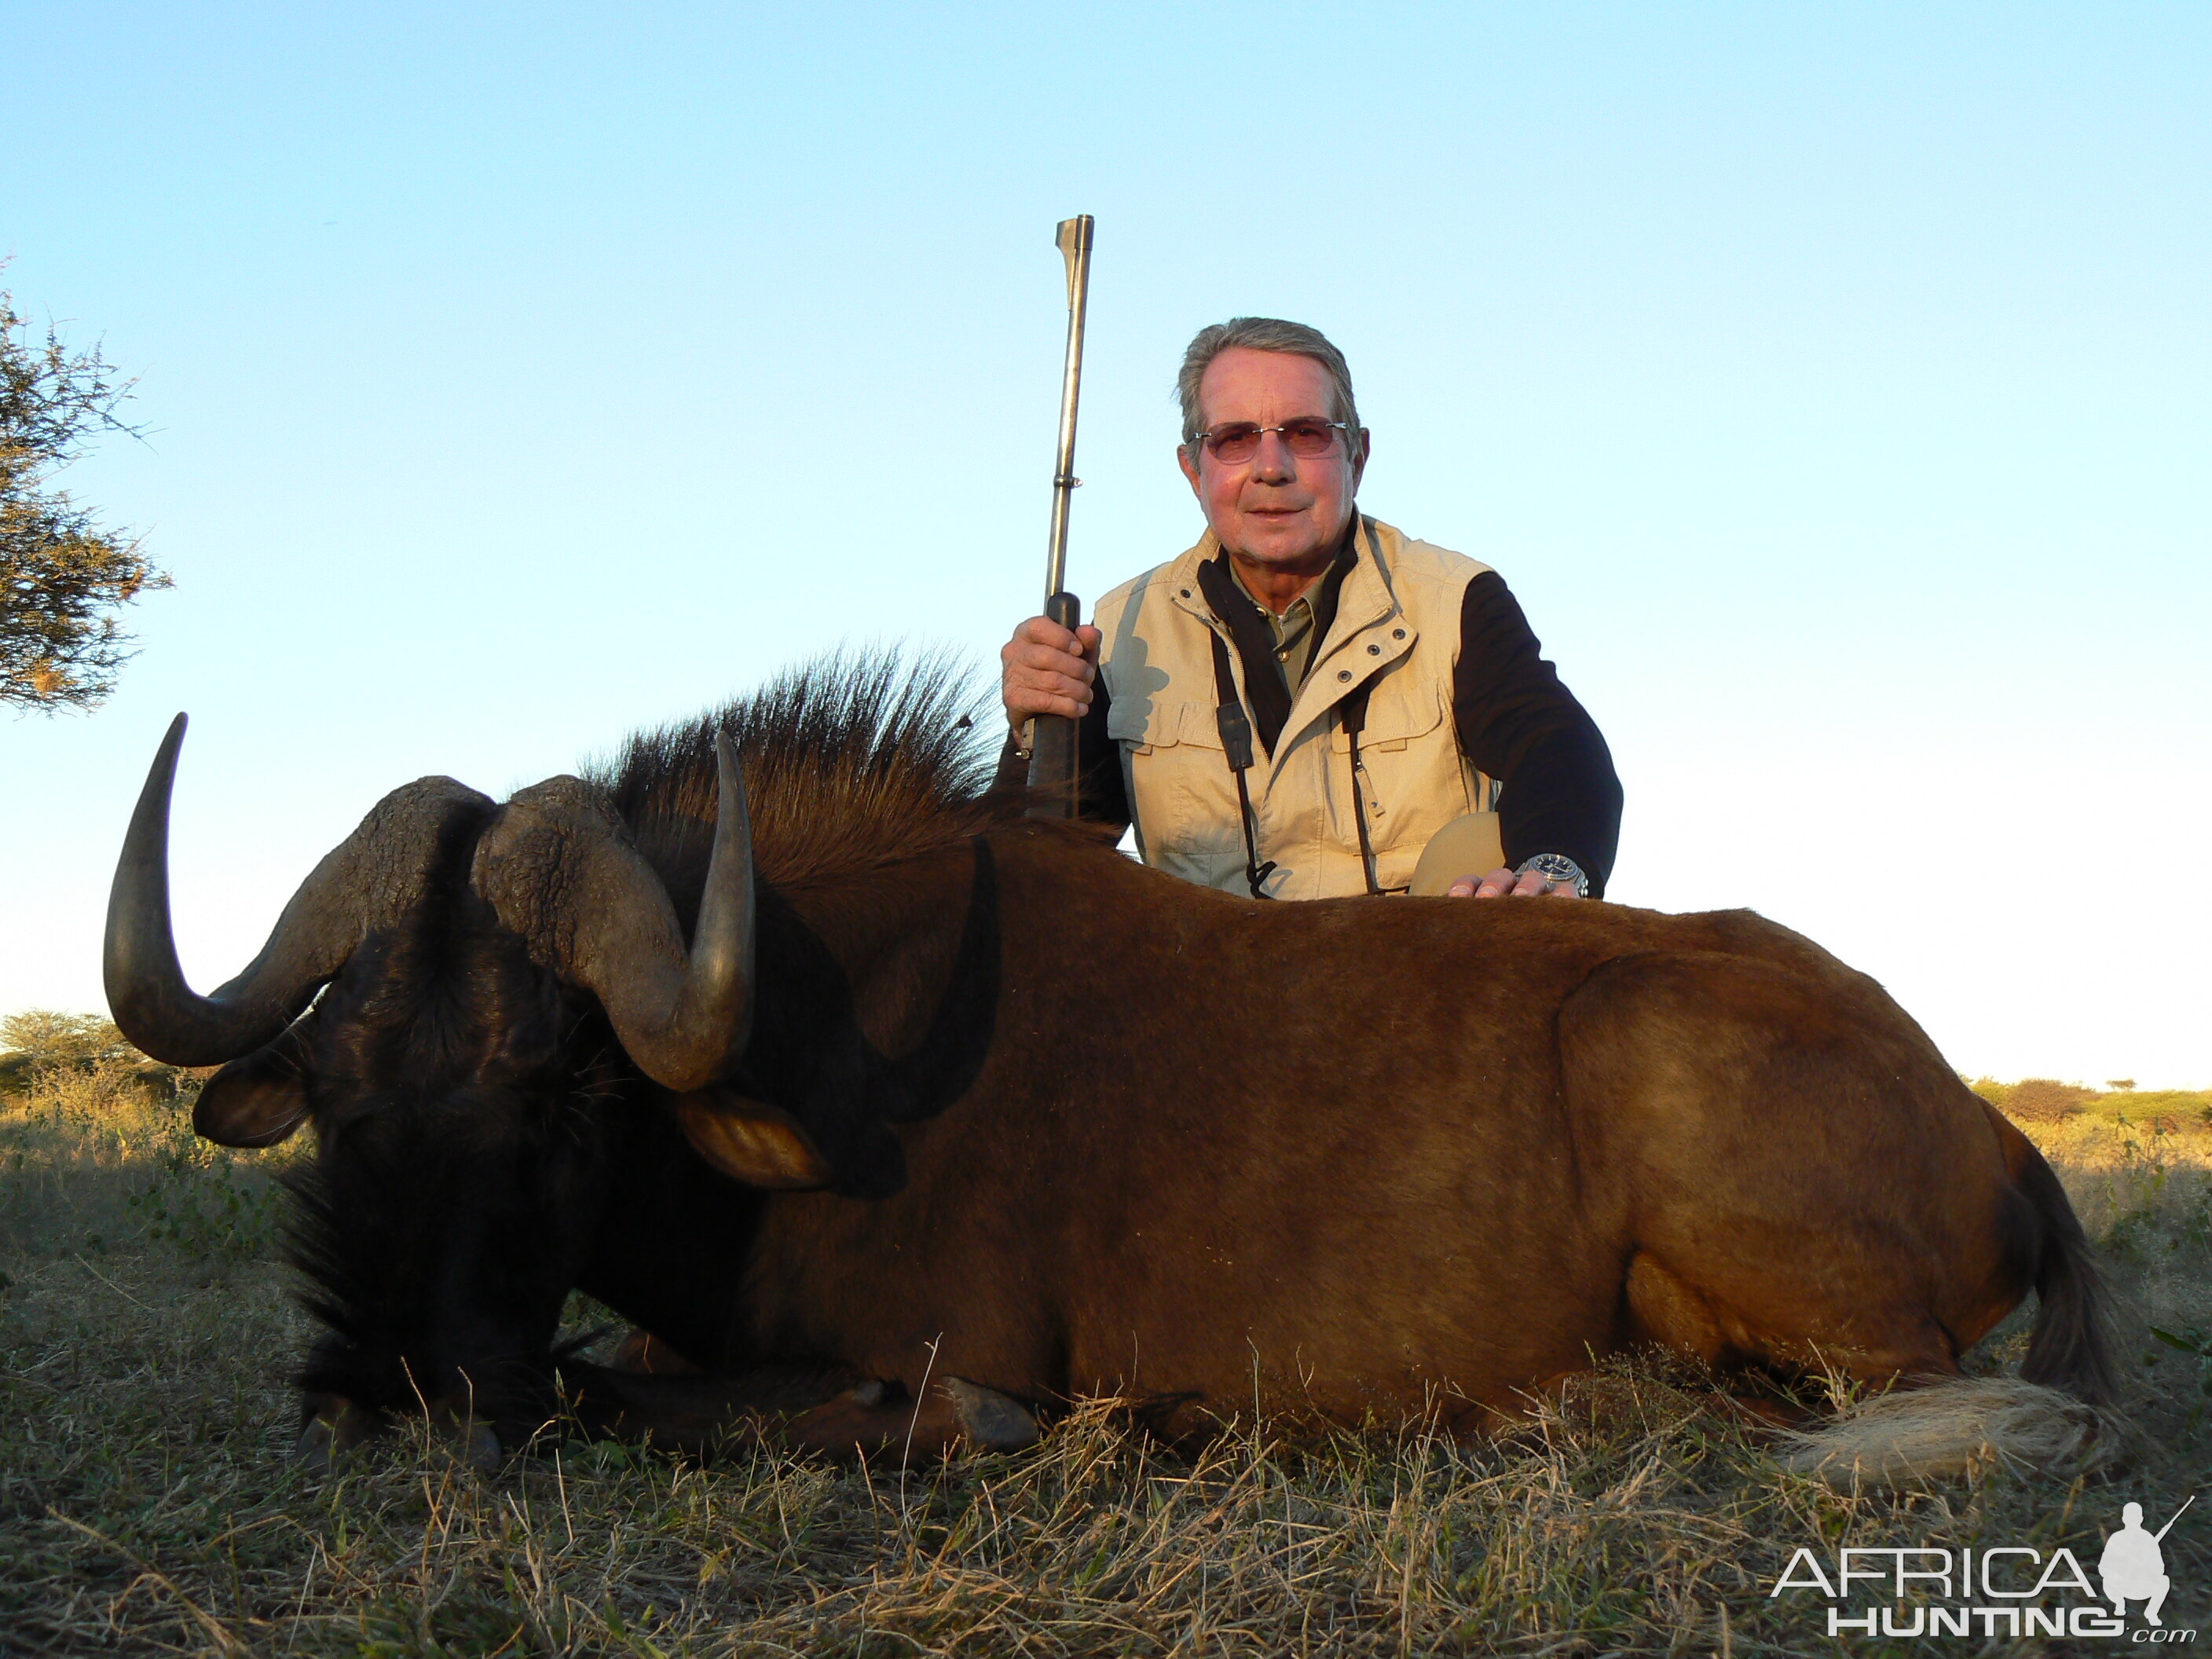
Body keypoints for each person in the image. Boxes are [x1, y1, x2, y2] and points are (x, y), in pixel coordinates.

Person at [999, 317, 1621, 902]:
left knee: (1482, 845)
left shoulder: (1455, 596)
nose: (1271, 468)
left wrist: (1553, 871)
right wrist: (1033, 728)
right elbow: (1036, 860)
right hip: (1202, 998)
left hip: (1406, 991)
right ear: (1194, 470)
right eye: (1235, 439)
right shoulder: (1118, 630)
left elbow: (1556, 747)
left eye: (1306, 433)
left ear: (1357, 456)